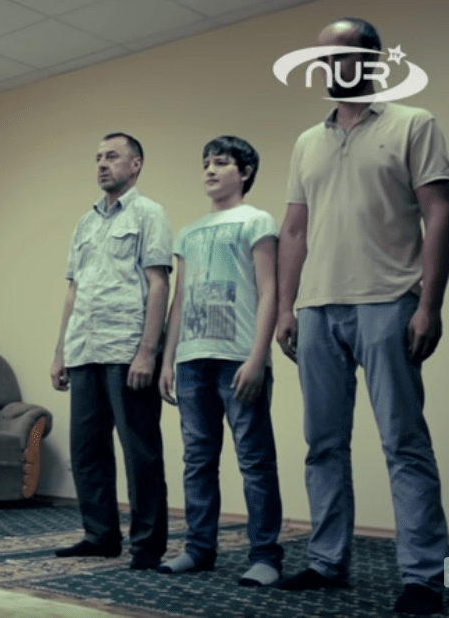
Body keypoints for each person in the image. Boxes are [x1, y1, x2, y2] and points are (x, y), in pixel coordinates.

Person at [271, 18, 449, 616]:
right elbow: (293, 230)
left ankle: (426, 577)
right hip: (317, 310)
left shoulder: (413, 123)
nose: (326, 67)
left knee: (404, 443)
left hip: (390, 302)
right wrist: (285, 308)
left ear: (372, 59)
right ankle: (326, 562)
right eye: (319, 59)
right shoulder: (307, 141)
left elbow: (439, 213)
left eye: (338, 56)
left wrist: (430, 304)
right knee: (322, 445)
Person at [157, 136, 283, 586]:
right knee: (197, 459)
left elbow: (269, 290)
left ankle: (265, 556)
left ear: (244, 172)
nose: (209, 170)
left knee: (254, 460)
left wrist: (257, 357)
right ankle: (198, 549)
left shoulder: (257, 220)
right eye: (206, 163)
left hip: (238, 359)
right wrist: (168, 360)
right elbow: (179, 300)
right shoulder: (188, 233)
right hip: (192, 361)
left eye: (221, 162)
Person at [50, 132, 172, 570]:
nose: (102, 164)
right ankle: (100, 535)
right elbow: (74, 291)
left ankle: (148, 545)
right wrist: (61, 352)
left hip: (126, 349)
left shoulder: (149, 213)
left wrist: (147, 352)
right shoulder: (85, 223)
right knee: (86, 450)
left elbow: (158, 283)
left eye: (113, 156)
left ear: (135, 164)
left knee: (140, 450)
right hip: (84, 349)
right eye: (98, 157)